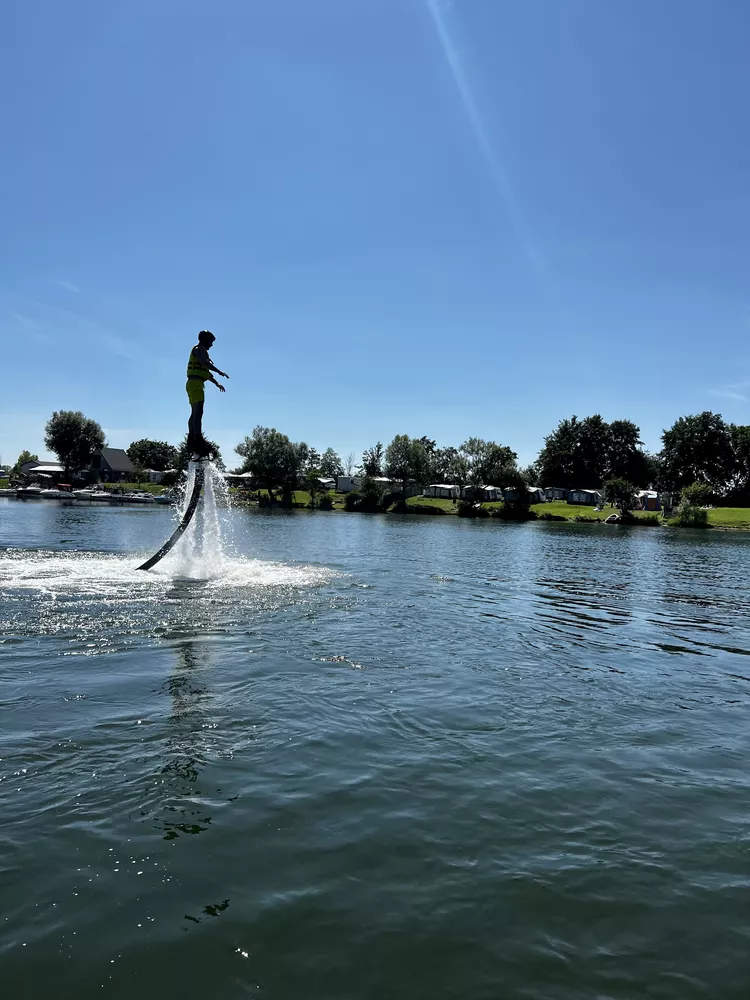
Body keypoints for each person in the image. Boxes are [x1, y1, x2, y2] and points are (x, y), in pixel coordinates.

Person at [186, 330, 229, 458]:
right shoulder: (199, 349)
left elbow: (206, 373)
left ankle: (192, 439)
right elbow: (205, 364)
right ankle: (197, 440)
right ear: (205, 340)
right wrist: (220, 372)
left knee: (195, 413)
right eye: (211, 341)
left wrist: (217, 384)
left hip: (194, 383)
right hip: (195, 384)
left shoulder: (202, 353)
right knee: (198, 412)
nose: (212, 344)